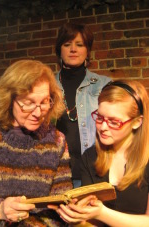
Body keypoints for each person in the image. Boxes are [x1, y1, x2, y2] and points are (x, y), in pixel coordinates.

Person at [0, 59, 73, 227]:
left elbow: (57, 209)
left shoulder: (56, 141)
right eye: (28, 103)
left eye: (44, 102)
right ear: (9, 99)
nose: (38, 113)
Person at [51, 80, 149, 227]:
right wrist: (77, 216)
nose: (103, 127)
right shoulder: (90, 157)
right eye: (100, 117)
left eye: (114, 122)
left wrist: (102, 213)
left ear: (137, 122)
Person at [55, 22, 111, 188]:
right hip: (56, 173)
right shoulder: (46, 85)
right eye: (67, 44)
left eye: (79, 45)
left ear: (87, 51)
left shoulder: (104, 85)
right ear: (59, 50)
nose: (73, 49)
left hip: (93, 171)